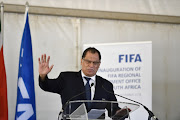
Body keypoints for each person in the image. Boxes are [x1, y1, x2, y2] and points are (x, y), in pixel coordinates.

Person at [38, 47, 126, 119]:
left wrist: (120, 113)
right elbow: (47, 86)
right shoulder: (67, 78)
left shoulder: (106, 85)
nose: (91, 65)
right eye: (88, 62)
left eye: (95, 63)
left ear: (99, 65)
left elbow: (113, 111)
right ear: (81, 61)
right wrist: (43, 76)